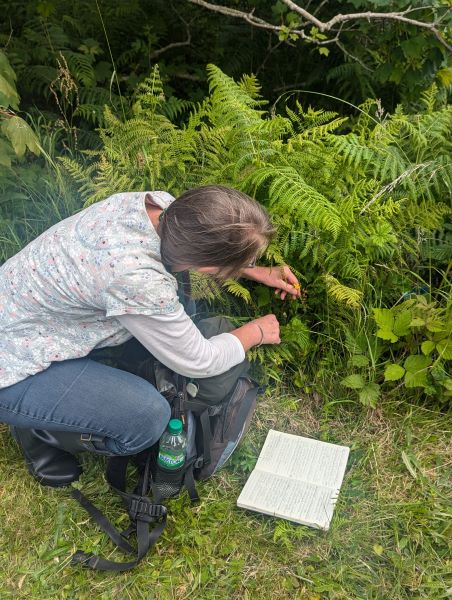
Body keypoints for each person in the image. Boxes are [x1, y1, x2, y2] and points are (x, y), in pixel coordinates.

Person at [0, 185, 301, 487]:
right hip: (14, 368)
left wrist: (252, 269)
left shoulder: (159, 206)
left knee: (180, 302)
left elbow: (194, 252)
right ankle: (43, 430)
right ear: (209, 265)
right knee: (147, 419)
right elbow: (198, 361)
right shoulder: (137, 279)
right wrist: (256, 332)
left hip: (25, 319)